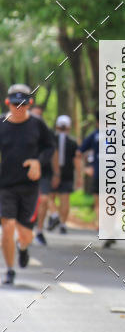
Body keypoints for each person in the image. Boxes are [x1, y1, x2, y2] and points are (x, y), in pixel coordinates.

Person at [0, 85, 56, 285]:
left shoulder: (37, 125)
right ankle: (9, 270)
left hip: (29, 187)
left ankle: (22, 248)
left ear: (29, 104)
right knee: (8, 225)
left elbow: (50, 147)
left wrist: (38, 161)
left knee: (25, 234)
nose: (19, 108)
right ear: (8, 103)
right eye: (15, 104)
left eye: (23, 104)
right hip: (4, 186)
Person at [30, 103, 60, 243]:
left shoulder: (48, 133)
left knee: (44, 199)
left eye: (39, 115)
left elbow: (54, 152)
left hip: (45, 171)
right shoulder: (20, 129)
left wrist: (56, 173)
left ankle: (40, 231)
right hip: (25, 171)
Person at [46, 115, 80, 234]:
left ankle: (54, 215)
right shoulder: (73, 142)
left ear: (57, 126)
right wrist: (79, 176)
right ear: (69, 127)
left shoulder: (50, 140)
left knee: (48, 197)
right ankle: (63, 224)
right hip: (68, 173)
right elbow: (77, 160)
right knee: (65, 200)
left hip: (51, 173)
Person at [79, 112, 100, 229]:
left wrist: (84, 168)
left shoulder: (94, 135)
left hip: (98, 174)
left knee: (99, 203)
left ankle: (102, 226)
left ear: (97, 122)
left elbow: (79, 152)